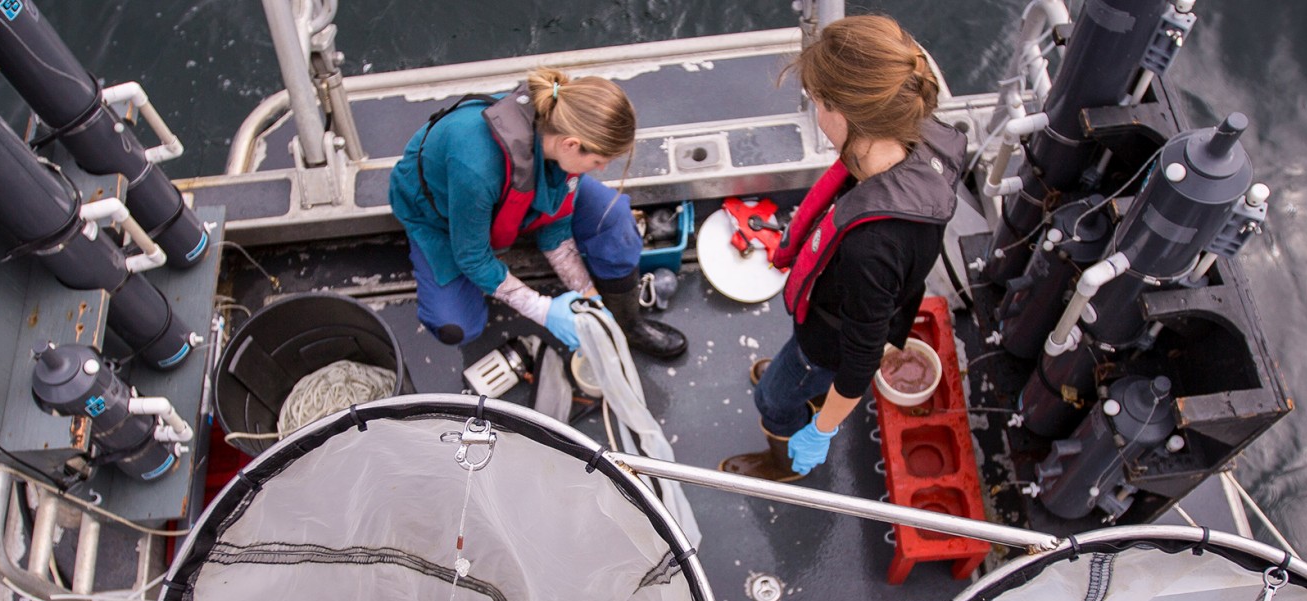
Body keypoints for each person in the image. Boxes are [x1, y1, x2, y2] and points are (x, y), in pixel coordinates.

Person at [718, 15, 963, 479]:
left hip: (825, 344)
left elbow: (861, 358)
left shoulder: (872, 248)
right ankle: (801, 378)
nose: (815, 112)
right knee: (795, 370)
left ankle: (785, 459)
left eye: (816, 101)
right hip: (841, 311)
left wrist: (823, 428)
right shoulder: (916, 139)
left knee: (772, 398)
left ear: (842, 114)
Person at [388, 68, 686, 361]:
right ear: (571, 145)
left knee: (615, 217)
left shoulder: (561, 138)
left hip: (514, 193)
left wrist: (590, 300)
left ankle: (627, 324)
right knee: (457, 326)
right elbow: (472, 257)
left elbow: (556, 230)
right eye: (598, 161)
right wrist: (543, 310)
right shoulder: (475, 167)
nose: (602, 169)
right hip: (443, 216)